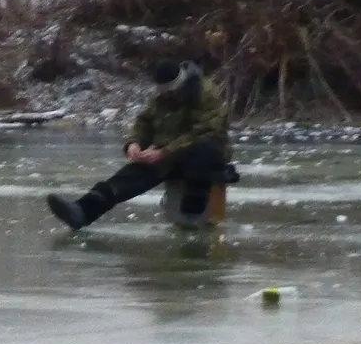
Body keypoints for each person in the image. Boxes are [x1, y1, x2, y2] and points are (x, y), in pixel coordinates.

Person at [46, 59, 232, 229]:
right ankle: (83, 210)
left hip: (205, 153)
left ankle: (192, 216)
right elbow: (145, 121)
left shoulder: (205, 93)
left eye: (169, 90)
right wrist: (134, 144)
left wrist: (165, 151)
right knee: (132, 175)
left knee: (202, 151)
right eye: (162, 91)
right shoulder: (163, 97)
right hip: (169, 153)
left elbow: (207, 131)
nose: (165, 94)